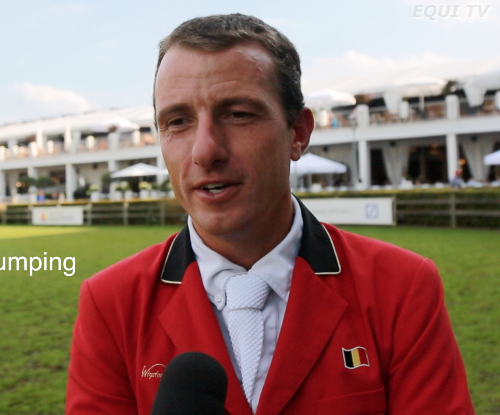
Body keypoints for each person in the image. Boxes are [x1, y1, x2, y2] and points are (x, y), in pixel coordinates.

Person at [66, 14, 474, 415]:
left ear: (298, 132)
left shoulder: (401, 288)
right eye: (178, 121)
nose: (204, 150)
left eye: (238, 114)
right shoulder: (111, 302)